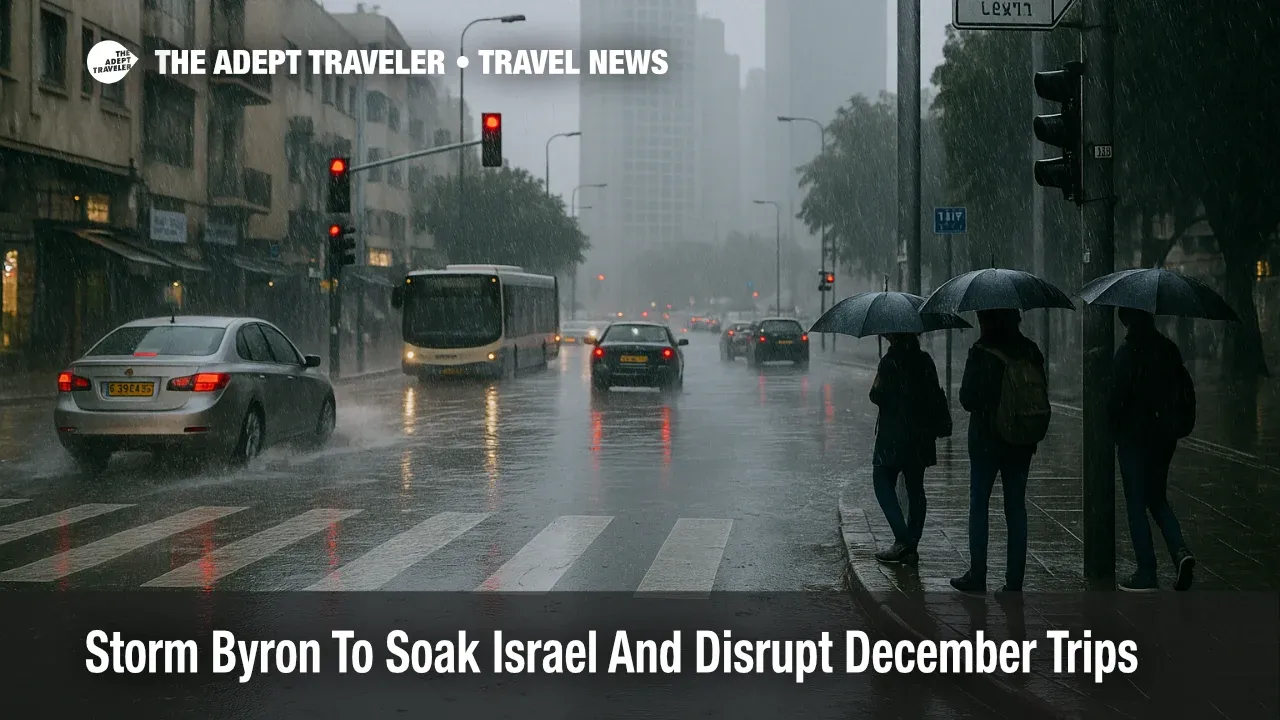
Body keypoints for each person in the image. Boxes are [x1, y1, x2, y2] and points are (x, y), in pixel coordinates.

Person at [951, 309, 1049, 593]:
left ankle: (978, 575)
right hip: (1020, 441)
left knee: (979, 506)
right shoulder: (1030, 350)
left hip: (986, 442)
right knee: (1016, 508)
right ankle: (1014, 581)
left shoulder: (982, 352)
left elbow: (967, 398)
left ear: (987, 321)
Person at [1109, 308, 1196, 592]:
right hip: (1163, 437)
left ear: (1127, 322)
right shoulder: (1168, 349)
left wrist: (1110, 430)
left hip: (1134, 439)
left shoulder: (1127, 353)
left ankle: (1147, 571)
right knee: (1157, 498)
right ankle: (1180, 551)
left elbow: (1115, 400)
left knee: (1136, 503)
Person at [868, 333, 940, 565]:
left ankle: (904, 540)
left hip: (893, 436)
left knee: (882, 481)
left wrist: (881, 377)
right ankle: (911, 545)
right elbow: (932, 395)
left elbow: (876, 395)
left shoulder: (890, 362)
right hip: (920, 435)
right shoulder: (925, 360)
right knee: (916, 488)